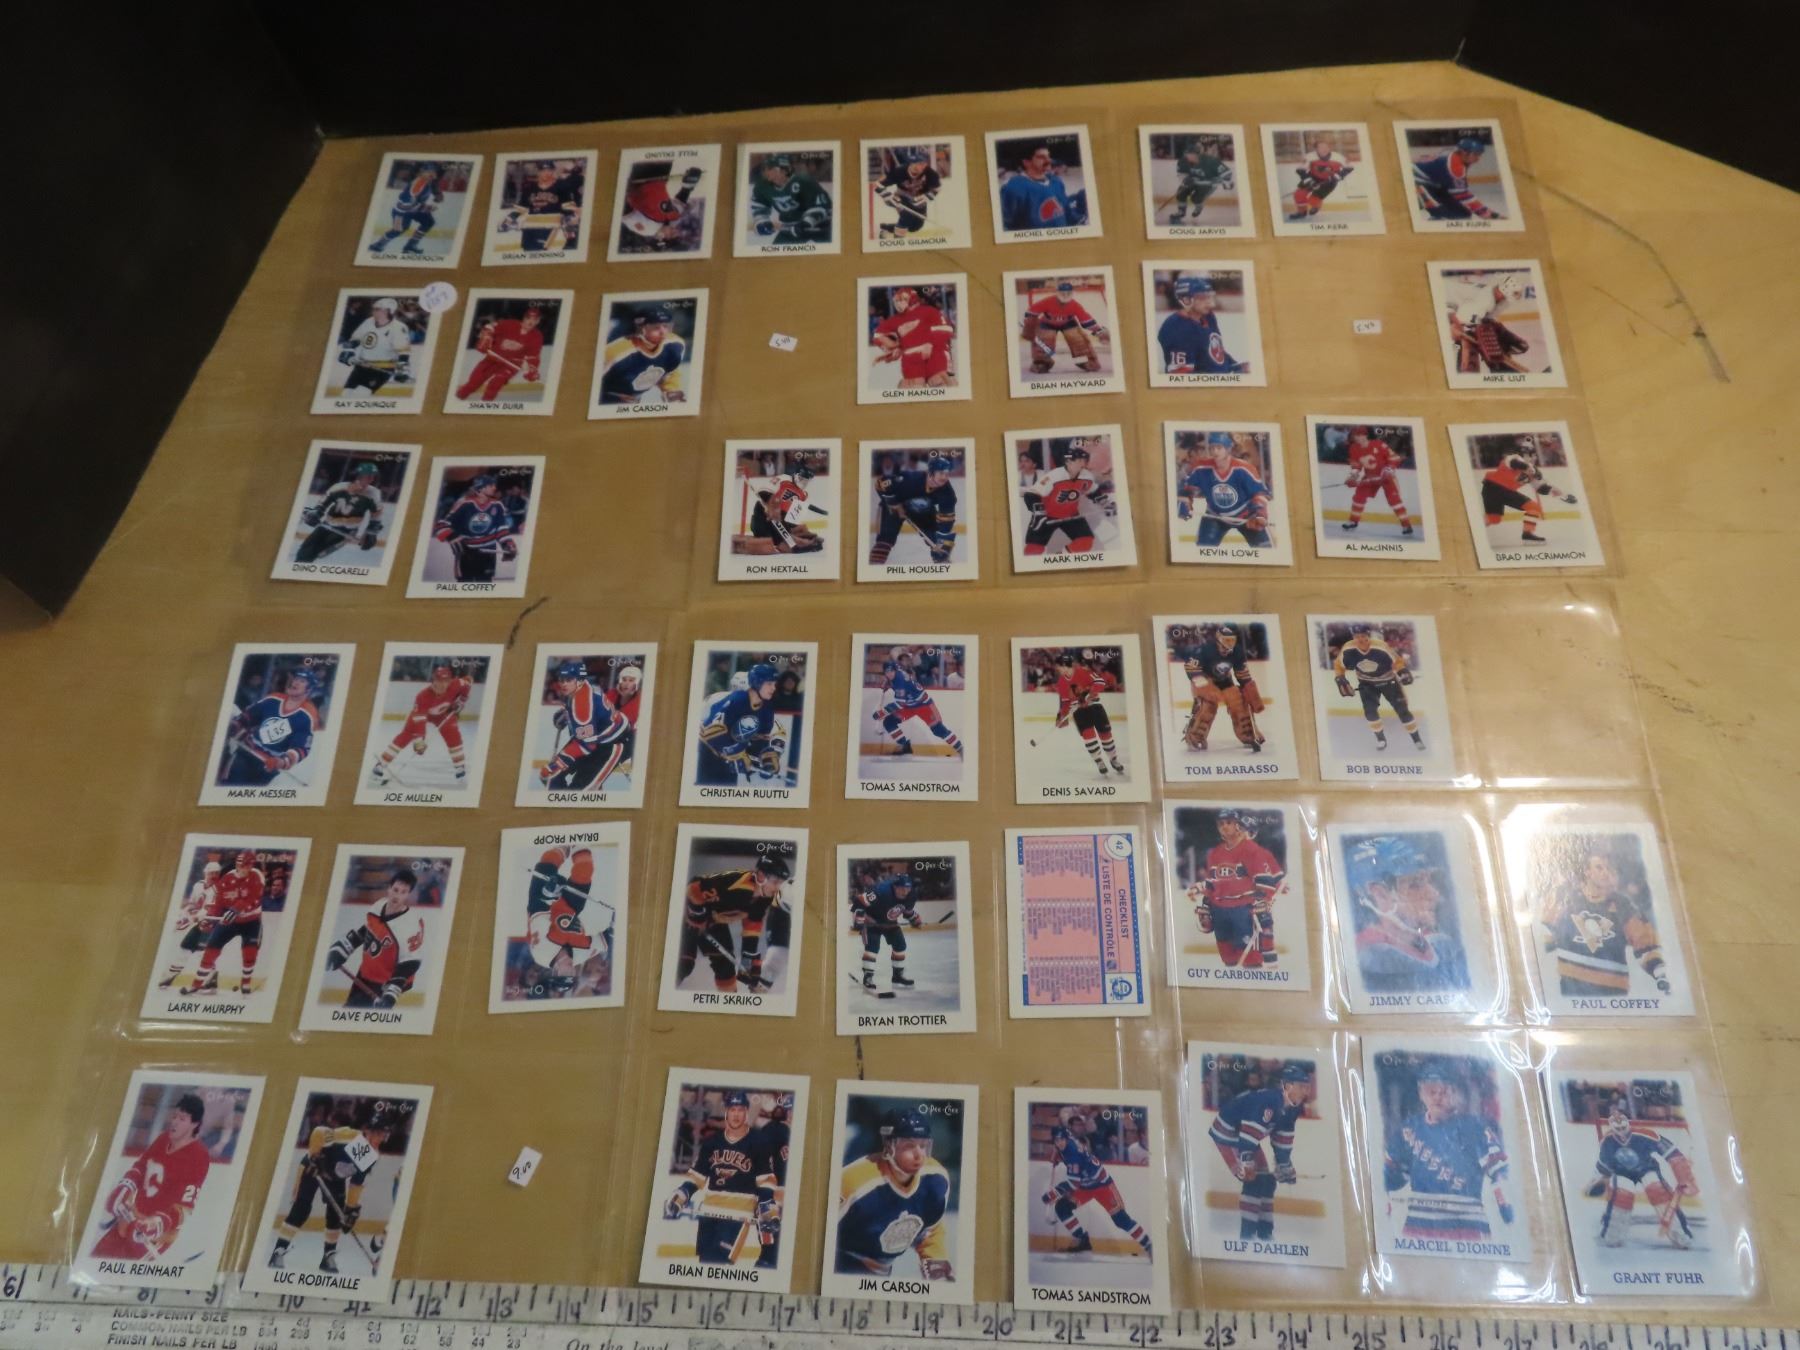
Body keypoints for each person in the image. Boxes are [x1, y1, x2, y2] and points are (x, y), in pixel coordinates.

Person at [1383, 1062, 1513, 1243]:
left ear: (1454, 1093)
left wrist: (1505, 1202)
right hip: (1418, 1229)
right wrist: (1382, 1200)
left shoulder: (1474, 1128)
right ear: (1421, 1094)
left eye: (1443, 1091)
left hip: (1469, 1229)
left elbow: (1500, 1171)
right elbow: (1391, 1178)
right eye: (1431, 1091)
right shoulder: (1409, 1129)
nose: (1437, 1097)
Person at [268, 1102, 399, 1274]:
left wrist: (350, 1209)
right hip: (314, 1170)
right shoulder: (350, 1137)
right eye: (378, 1133)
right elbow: (319, 1132)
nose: (381, 1138)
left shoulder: (370, 1154)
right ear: (367, 1131)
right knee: (301, 1210)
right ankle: (278, 1251)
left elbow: (356, 1183)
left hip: (335, 1178)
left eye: (384, 1135)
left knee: (336, 1217)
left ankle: (328, 1257)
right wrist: (314, 1156)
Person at [834, 1110, 954, 1280]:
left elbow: (930, 1229)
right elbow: (817, 1229)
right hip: (841, 1263)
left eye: (923, 1146)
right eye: (909, 1146)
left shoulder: (935, 1180)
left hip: (881, 1270)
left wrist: (936, 1261)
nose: (919, 1155)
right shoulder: (854, 1182)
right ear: (888, 1146)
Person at [91, 1093, 212, 1261]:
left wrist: (157, 1223)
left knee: (121, 1274)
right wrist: (125, 1187)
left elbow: (184, 1208)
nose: (175, 1122)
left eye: (182, 1119)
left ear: (195, 1124)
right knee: (96, 1260)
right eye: (174, 1116)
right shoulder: (163, 1139)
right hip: (130, 1220)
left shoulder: (198, 1156)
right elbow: (142, 1166)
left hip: (154, 1237)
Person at [1209, 1064, 1311, 1241]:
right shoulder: (1269, 1101)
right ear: (1288, 1086)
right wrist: (1245, 1162)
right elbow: (1248, 1135)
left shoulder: (1292, 1108)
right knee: (1253, 1180)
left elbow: (1282, 1139)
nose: (1305, 1091)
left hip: (1244, 1137)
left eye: (1306, 1087)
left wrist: (1284, 1165)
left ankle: (1265, 1233)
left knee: (1268, 1181)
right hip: (1227, 1134)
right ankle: (1247, 1235)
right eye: (1301, 1086)